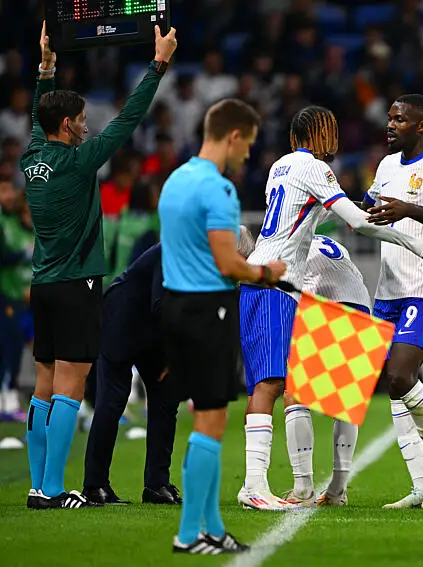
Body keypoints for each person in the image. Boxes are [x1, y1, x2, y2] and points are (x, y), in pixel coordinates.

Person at [238, 105, 423, 510]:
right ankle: (257, 485)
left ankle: (299, 487)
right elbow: (357, 224)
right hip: (280, 283)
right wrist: (413, 241)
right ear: (315, 134)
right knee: (276, 385)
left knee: (287, 385)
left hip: (277, 282)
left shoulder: (279, 167)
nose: (335, 141)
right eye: (330, 131)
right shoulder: (314, 167)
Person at [21, 21, 177, 510]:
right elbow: (128, 120)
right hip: (77, 285)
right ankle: (50, 488)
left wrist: (46, 66)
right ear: (67, 126)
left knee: (44, 383)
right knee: (71, 383)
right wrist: (158, 65)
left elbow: (37, 117)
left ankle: (35, 486)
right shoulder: (79, 161)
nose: (88, 124)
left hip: (43, 283)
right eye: (82, 119)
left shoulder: (31, 156)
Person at [158, 98, 286, 554]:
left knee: (205, 420)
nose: (247, 156)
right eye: (248, 145)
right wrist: (267, 272)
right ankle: (190, 533)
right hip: (207, 310)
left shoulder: (175, 180)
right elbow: (229, 262)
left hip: (173, 307)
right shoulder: (219, 190)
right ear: (233, 136)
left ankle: (210, 527)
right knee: (210, 425)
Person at [361, 94, 423, 510]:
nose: (390, 125)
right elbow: (370, 209)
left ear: (421, 126)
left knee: (402, 377)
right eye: (389, 118)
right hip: (388, 287)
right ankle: (420, 484)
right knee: (392, 384)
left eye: (399, 119)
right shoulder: (385, 166)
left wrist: (407, 208)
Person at [237, 227, 367, 508]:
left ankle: (303, 487)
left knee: (294, 392)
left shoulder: (272, 252)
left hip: (317, 297)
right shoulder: (313, 235)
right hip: (358, 298)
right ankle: (337, 490)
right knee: (344, 401)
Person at [80, 243, 182, 506]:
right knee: (112, 402)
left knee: (166, 401)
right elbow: (161, 303)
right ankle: (95, 485)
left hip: (154, 334)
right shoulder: (176, 247)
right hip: (122, 322)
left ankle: (157, 485)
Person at [0, 184, 33, 423]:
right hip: (9, 297)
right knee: (8, 349)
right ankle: (7, 399)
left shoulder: (33, 234)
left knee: (40, 352)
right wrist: (22, 255)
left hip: (31, 303)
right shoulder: (7, 228)